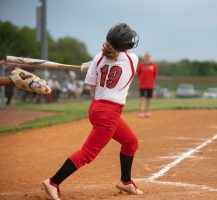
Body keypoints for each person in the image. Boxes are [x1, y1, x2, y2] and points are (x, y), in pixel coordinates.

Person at [42, 23, 142, 200]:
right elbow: (117, 61)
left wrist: (94, 65)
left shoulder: (98, 58)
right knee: (88, 153)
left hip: (96, 108)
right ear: (124, 44)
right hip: (109, 114)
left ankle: (125, 182)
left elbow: (91, 85)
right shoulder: (132, 59)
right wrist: (95, 63)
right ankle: (53, 182)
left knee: (131, 142)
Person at [137, 52, 157, 117]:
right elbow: (139, 74)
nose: (147, 58)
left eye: (149, 56)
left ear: (150, 57)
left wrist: (151, 81)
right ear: (144, 57)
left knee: (149, 98)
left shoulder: (154, 65)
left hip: (150, 85)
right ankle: (141, 112)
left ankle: (147, 111)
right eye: (146, 56)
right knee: (142, 98)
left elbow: (155, 75)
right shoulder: (141, 65)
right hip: (142, 84)